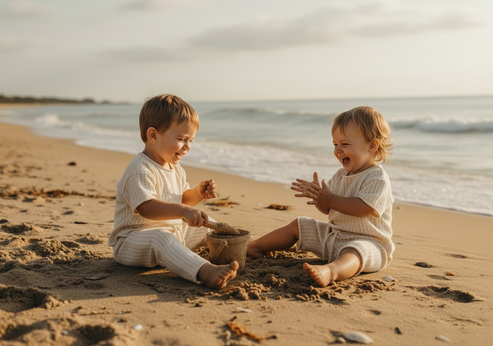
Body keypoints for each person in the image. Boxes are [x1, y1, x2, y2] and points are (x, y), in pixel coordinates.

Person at [247, 106, 395, 287]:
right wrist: (320, 199)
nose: (338, 150)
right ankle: (256, 246)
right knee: (299, 225)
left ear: (372, 145)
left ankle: (331, 271)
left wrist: (330, 199)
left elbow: (365, 208)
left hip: (370, 244)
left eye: (345, 144)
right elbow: (328, 209)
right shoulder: (341, 175)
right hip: (334, 237)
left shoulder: (377, 177)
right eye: (335, 144)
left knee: (355, 252)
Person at [108, 94, 238, 289]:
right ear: (153, 135)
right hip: (133, 240)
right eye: (181, 139)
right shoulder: (139, 169)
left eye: (191, 141)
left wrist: (198, 194)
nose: (187, 147)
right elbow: (147, 208)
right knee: (163, 239)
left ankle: (245, 247)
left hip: (172, 231)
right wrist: (182, 211)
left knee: (207, 226)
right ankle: (206, 271)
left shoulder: (174, 168)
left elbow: (183, 199)